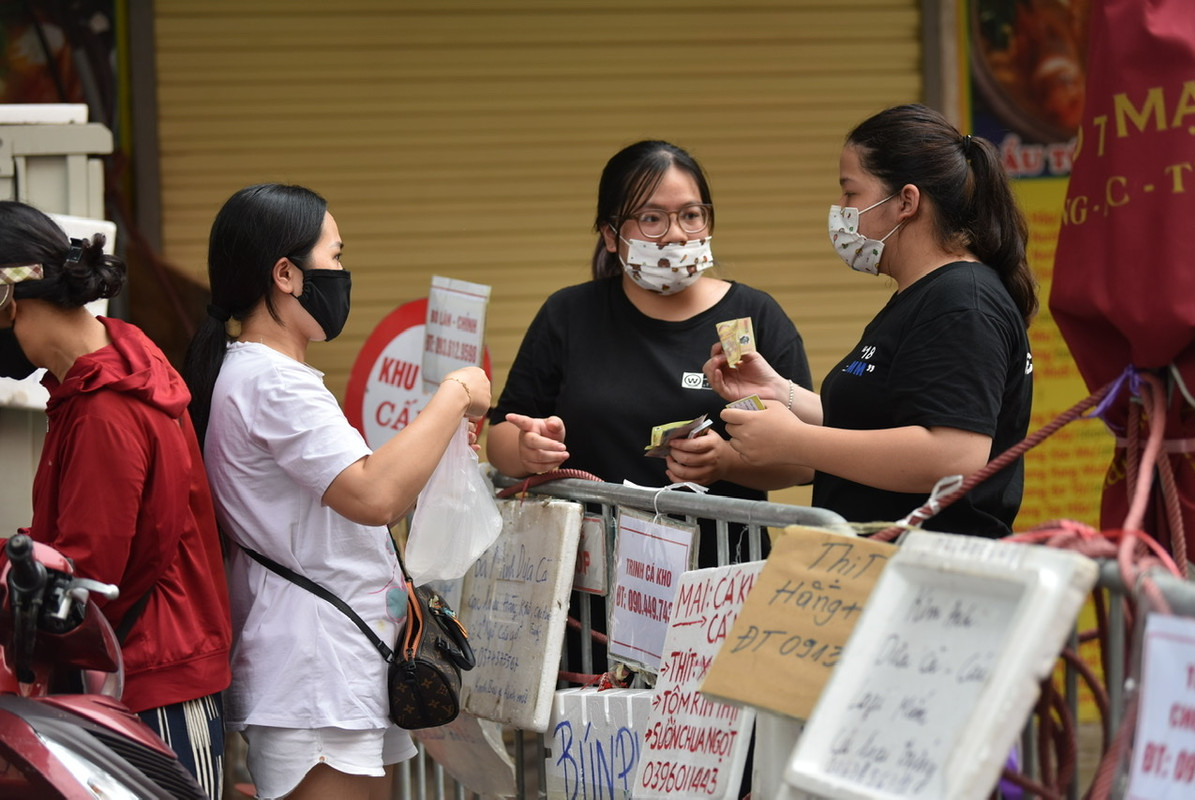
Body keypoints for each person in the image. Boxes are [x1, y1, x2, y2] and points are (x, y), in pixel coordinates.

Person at [183, 183, 490, 800]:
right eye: (337, 256)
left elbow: (375, 493)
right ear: (287, 274)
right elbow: (373, 494)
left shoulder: (267, 375)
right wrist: (455, 392)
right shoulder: (273, 383)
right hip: (315, 670)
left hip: (340, 658)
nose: (344, 272)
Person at [706, 104, 1037, 538]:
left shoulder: (961, 301)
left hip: (927, 582)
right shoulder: (922, 295)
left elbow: (955, 455)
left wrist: (793, 441)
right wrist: (779, 392)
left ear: (906, 201)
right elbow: (877, 424)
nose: (840, 209)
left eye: (850, 193)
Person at [0, 201, 232, 797]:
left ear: (6, 297)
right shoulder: (108, 370)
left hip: (149, 681)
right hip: (148, 670)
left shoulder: (106, 408)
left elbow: (85, 578)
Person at [487, 139, 814, 558]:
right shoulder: (569, 314)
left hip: (716, 590)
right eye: (652, 218)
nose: (676, 233)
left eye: (691, 215)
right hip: (590, 590)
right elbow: (501, 437)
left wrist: (729, 462)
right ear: (610, 234)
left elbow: (803, 462)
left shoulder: (748, 318)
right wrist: (526, 450)